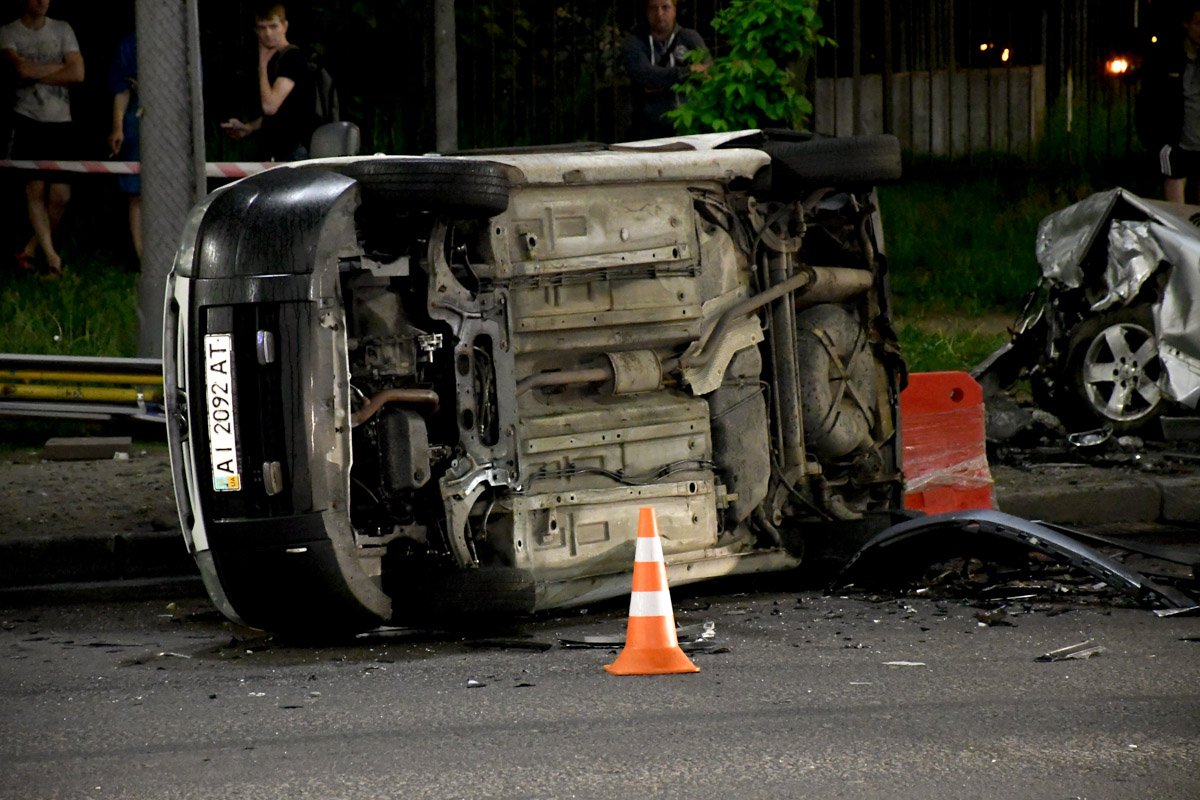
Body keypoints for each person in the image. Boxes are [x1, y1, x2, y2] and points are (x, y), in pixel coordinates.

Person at [0, 0, 83, 276]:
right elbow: (19, 69)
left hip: (60, 121)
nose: (43, 1)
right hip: (28, 119)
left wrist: (37, 73)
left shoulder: (63, 29)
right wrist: (59, 69)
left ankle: (30, 249)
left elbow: (77, 72)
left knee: (61, 196)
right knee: (34, 191)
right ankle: (52, 258)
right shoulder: (9, 32)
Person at [220, 3, 316, 162]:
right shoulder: (278, 60)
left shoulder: (292, 59)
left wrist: (262, 66)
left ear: (284, 26)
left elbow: (270, 106)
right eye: (262, 28)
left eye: (273, 26)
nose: (268, 33)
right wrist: (248, 127)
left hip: (292, 151)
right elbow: (281, 113)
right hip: (278, 150)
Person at [1137, 1, 1200, 204]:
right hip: (1177, 147)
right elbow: (1148, 102)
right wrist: (1159, 144)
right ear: (1186, 24)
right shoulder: (1168, 58)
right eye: (1198, 24)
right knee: (1178, 216)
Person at [619, 0, 709, 140]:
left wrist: (661, 80)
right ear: (647, 11)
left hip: (689, 128)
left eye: (665, 7)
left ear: (674, 10)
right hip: (646, 131)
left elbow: (708, 74)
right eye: (654, 8)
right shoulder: (634, 42)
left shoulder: (690, 38)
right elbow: (645, 76)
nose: (659, 13)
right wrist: (687, 71)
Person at [107, 31, 140, 263]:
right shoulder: (130, 44)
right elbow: (122, 88)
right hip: (137, 126)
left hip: (173, 125)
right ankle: (143, 259)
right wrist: (118, 127)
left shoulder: (182, 39)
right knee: (136, 192)